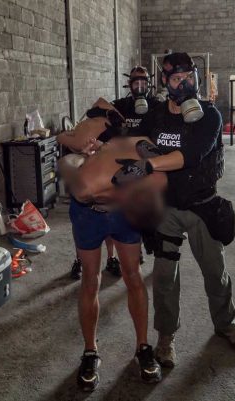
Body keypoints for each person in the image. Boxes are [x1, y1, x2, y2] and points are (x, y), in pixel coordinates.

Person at [112, 52, 235, 367]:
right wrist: (132, 144)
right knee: (164, 277)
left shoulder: (210, 116)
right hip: (168, 209)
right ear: (165, 82)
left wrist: (149, 165)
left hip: (202, 205)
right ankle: (166, 337)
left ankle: (225, 323)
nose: (184, 85)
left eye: (189, 78)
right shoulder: (157, 114)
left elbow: (190, 155)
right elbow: (137, 139)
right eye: (177, 79)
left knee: (215, 272)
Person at [57, 121, 163, 392]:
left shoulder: (139, 147)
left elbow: (159, 176)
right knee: (90, 280)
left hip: (123, 214)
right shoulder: (84, 157)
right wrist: (83, 158)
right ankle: (90, 351)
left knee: (133, 276)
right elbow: (80, 188)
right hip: (88, 216)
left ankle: (143, 347)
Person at [65, 66, 161, 280]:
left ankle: (135, 250)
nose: (139, 87)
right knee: (104, 208)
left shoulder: (157, 107)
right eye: (135, 83)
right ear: (129, 84)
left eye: (143, 82)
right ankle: (92, 257)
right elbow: (94, 111)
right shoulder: (121, 105)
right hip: (117, 164)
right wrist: (109, 115)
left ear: (149, 83)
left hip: (143, 166)